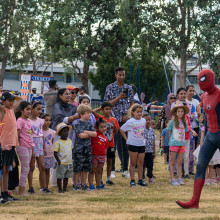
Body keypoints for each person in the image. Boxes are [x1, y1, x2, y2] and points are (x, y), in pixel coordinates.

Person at [176, 69, 220, 208]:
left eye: (203, 80)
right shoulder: (204, 97)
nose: (200, 84)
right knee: (200, 165)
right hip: (210, 134)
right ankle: (194, 202)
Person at [104, 67, 134, 178]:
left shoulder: (129, 88)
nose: (122, 77)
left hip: (126, 121)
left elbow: (132, 104)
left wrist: (128, 115)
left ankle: (125, 169)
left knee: (126, 144)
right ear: (116, 75)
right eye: (119, 75)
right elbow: (107, 104)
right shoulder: (110, 87)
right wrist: (119, 97)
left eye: (123, 75)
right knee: (112, 145)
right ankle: (111, 170)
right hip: (112, 120)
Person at [92, 101, 119, 185]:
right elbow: (92, 112)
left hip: (111, 143)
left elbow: (116, 132)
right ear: (103, 110)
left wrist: (114, 125)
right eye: (106, 109)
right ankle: (99, 178)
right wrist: (99, 108)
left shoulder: (114, 120)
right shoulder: (100, 118)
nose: (108, 111)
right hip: (101, 144)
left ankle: (108, 178)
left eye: (110, 109)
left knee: (110, 161)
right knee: (101, 162)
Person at [120, 104, 147, 187]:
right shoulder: (130, 121)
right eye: (137, 112)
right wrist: (126, 139)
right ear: (133, 112)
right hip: (132, 144)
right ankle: (132, 180)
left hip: (141, 144)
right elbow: (121, 129)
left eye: (140, 112)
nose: (139, 113)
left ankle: (140, 179)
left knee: (140, 163)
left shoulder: (143, 120)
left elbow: (143, 130)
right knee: (132, 163)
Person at [0, 92, 19, 202]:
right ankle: (1, 194)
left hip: (11, 144)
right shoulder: (2, 111)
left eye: (13, 100)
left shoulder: (11, 110)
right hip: (4, 144)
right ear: (3, 101)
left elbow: (19, 100)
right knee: (2, 170)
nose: (12, 103)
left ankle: (5, 192)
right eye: (9, 100)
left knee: (7, 169)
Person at [28, 101, 51, 193]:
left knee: (42, 166)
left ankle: (44, 187)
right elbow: (29, 135)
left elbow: (41, 135)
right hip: (32, 144)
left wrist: (44, 148)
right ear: (32, 109)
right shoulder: (28, 121)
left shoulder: (40, 120)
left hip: (40, 144)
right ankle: (30, 187)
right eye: (37, 109)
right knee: (31, 167)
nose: (39, 111)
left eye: (40, 109)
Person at [73, 104, 97, 191]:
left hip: (88, 148)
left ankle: (84, 184)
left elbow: (95, 134)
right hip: (79, 149)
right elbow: (81, 136)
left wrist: (86, 132)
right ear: (81, 114)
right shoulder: (77, 123)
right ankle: (75, 184)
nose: (89, 114)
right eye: (87, 113)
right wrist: (89, 134)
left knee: (86, 167)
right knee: (78, 167)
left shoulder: (89, 123)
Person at [16, 101, 34, 195]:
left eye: (30, 109)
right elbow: (17, 135)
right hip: (22, 146)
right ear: (21, 110)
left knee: (26, 168)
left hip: (29, 146)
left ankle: (22, 189)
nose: (29, 111)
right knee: (25, 168)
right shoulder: (20, 121)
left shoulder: (28, 121)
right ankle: (21, 191)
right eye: (27, 109)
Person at [168, 101, 189, 186]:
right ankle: (172, 178)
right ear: (175, 113)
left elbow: (186, 132)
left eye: (182, 111)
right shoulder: (171, 122)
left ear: (184, 113)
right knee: (172, 161)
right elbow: (170, 133)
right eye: (179, 111)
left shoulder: (184, 122)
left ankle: (179, 178)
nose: (180, 113)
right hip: (174, 144)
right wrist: (170, 143)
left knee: (180, 162)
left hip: (182, 144)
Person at [88, 118, 108, 190]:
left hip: (102, 156)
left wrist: (105, 156)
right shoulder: (95, 135)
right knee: (92, 170)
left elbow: (105, 148)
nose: (103, 128)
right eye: (101, 127)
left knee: (99, 170)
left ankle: (99, 185)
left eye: (105, 127)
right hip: (94, 155)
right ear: (96, 128)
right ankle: (91, 185)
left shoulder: (105, 138)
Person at [54, 123, 73, 193]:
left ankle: (65, 188)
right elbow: (55, 153)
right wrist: (58, 161)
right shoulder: (58, 142)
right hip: (62, 162)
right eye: (64, 131)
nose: (66, 133)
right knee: (60, 176)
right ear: (60, 133)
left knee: (66, 176)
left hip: (69, 162)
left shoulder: (70, 141)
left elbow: (71, 150)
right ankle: (60, 189)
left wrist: (72, 159)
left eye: (67, 131)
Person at [42, 114, 56, 190]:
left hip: (49, 154)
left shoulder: (52, 132)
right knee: (42, 170)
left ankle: (46, 186)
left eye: (49, 120)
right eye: (46, 120)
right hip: (42, 154)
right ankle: (43, 185)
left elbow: (52, 142)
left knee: (47, 170)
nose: (48, 122)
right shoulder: (40, 131)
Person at [143, 113, 156, 184]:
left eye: (149, 120)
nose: (148, 121)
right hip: (143, 151)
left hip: (150, 151)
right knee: (143, 164)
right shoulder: (142, 130)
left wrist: (154, 151)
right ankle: (142, 177)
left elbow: (153, 141)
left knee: (150, 165)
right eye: (146, 120)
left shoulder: (152, 130)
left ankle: (150, 177)